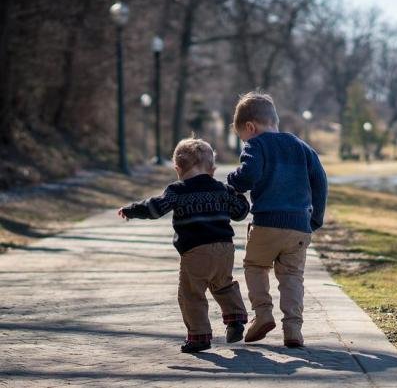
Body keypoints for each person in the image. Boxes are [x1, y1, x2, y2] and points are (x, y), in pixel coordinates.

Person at [118, 138, 250, 353]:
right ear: (212, 169)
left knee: (191, 294)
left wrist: (132, 210)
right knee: (223, 284)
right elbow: (241, 212)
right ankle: (235, 319)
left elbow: (155, 208)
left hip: (196, 251)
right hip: (225, 249)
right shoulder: (222, 189)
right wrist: (237, 194)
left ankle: (199, 336)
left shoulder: (177, 190)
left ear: (178, 169)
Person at [227, 91, 327, 348]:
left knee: (255, 266)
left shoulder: (256, 145)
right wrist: (315, 218)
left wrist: (232, 180)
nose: (244, 141)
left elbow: (248, 176)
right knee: (292, 276)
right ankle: (293, 329)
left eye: (243, 137)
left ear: (251, 127)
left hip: (267, 223)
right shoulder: (302, 147)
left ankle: (262, 314)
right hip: (299, 227)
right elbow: (320, 181)